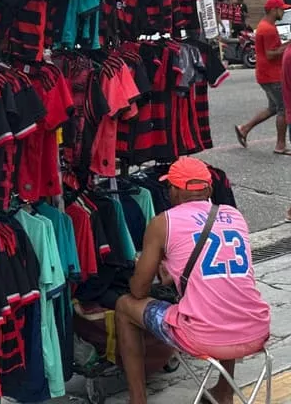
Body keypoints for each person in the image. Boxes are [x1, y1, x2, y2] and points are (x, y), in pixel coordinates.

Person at [114, 156, 270, 404]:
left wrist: (152, 271)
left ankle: (138, 399)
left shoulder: (163, 223)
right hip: (257, 330)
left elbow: (140, 290)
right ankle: (224, 391)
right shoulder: (233, 215)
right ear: (208, 189)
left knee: (124, 305)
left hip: (204, 337)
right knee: (225, 296)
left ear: (173, 190)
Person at [237, 0, 288, 153]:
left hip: (265, 74)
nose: (283, 12)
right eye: (281, 9)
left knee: (273, 108)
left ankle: (244, 129)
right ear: (274, 10)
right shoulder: (269, 29)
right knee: (284, 109)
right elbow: (271, 54)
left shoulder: (265, 26)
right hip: (272, 75)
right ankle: (280, 145)